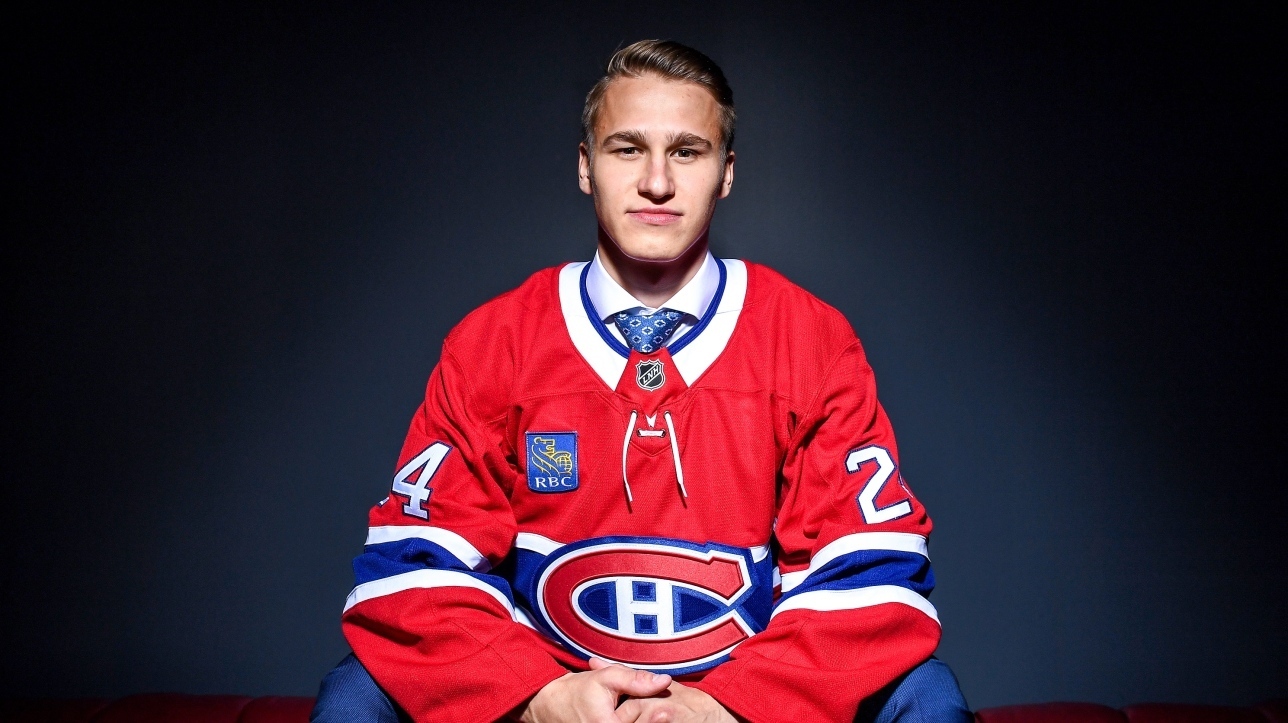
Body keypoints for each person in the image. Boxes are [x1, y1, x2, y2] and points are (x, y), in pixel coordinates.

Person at [312, 40, 971, 723]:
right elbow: (416, 569)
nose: (657, 180)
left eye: (687, 151)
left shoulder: (811, 340)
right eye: (627, 148)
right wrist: (539, 697)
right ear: (585, 167)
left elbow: (871, 573)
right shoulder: (494, 343)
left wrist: (730, 706)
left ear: (726, 173)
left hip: (743, 703)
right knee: (355, 691)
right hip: (554, 698)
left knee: (929, 693)